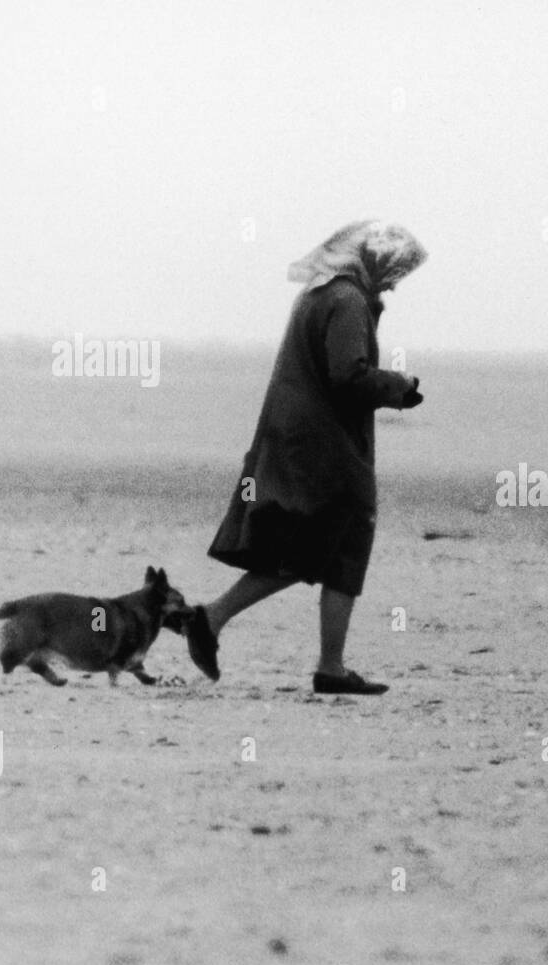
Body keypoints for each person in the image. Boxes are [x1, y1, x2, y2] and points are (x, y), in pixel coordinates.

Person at [181, 220, 428, 694]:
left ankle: (307, 657)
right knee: (339, 544)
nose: (396, 283)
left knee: (316, 548)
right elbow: (347, 376)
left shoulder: (321, 293)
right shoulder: (349, 301)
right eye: (396, 271)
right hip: (326, 448)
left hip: (300, 440)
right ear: (376, 261)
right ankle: (312, 660)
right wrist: (399, 387)